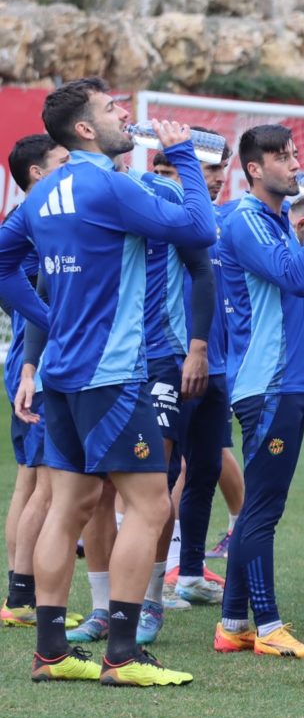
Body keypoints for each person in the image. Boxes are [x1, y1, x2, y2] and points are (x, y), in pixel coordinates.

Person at [0, 78, 214, 685]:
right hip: (112, 376)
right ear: (86, 130)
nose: (126, 114)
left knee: (68, 507)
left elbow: (3, 260)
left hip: (64, 376)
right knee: (148, 505)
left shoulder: (43, 194)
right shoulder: (108, 183)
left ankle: (51, 653)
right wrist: (183, 160)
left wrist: (47, 320)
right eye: (112, 109)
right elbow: (200, 230)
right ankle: (123, 657)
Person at [212, 124, 304, 660]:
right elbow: (289, 274)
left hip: (280, 380)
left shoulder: (273, 218)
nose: (294, 165)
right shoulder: (246, 218)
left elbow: (279, 296)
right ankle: (269, 627)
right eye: (281, 158)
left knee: (262, 505)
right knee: (262, 509)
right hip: (268, 385)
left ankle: (233, 622)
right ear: (254, 169)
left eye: (293, 155)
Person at [132, 151, 217, 642]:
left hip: (163, 356)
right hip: (106, 364)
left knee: (158, 480)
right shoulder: (90, 197)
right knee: (92, 493)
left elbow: (202, 270)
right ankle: (105, 605)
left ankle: (149, 601)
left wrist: (198, 348)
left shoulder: (164, 198)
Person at [0, 136, 68, 626]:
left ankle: (17, 594)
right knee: (45, 485)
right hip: (37, 362)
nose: (73, 169)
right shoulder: (35, 222)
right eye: (64, 162)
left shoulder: (29, 220)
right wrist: (47, 317)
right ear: (39, 175)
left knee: (30, 481)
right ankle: (24, 599)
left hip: (29, 358)